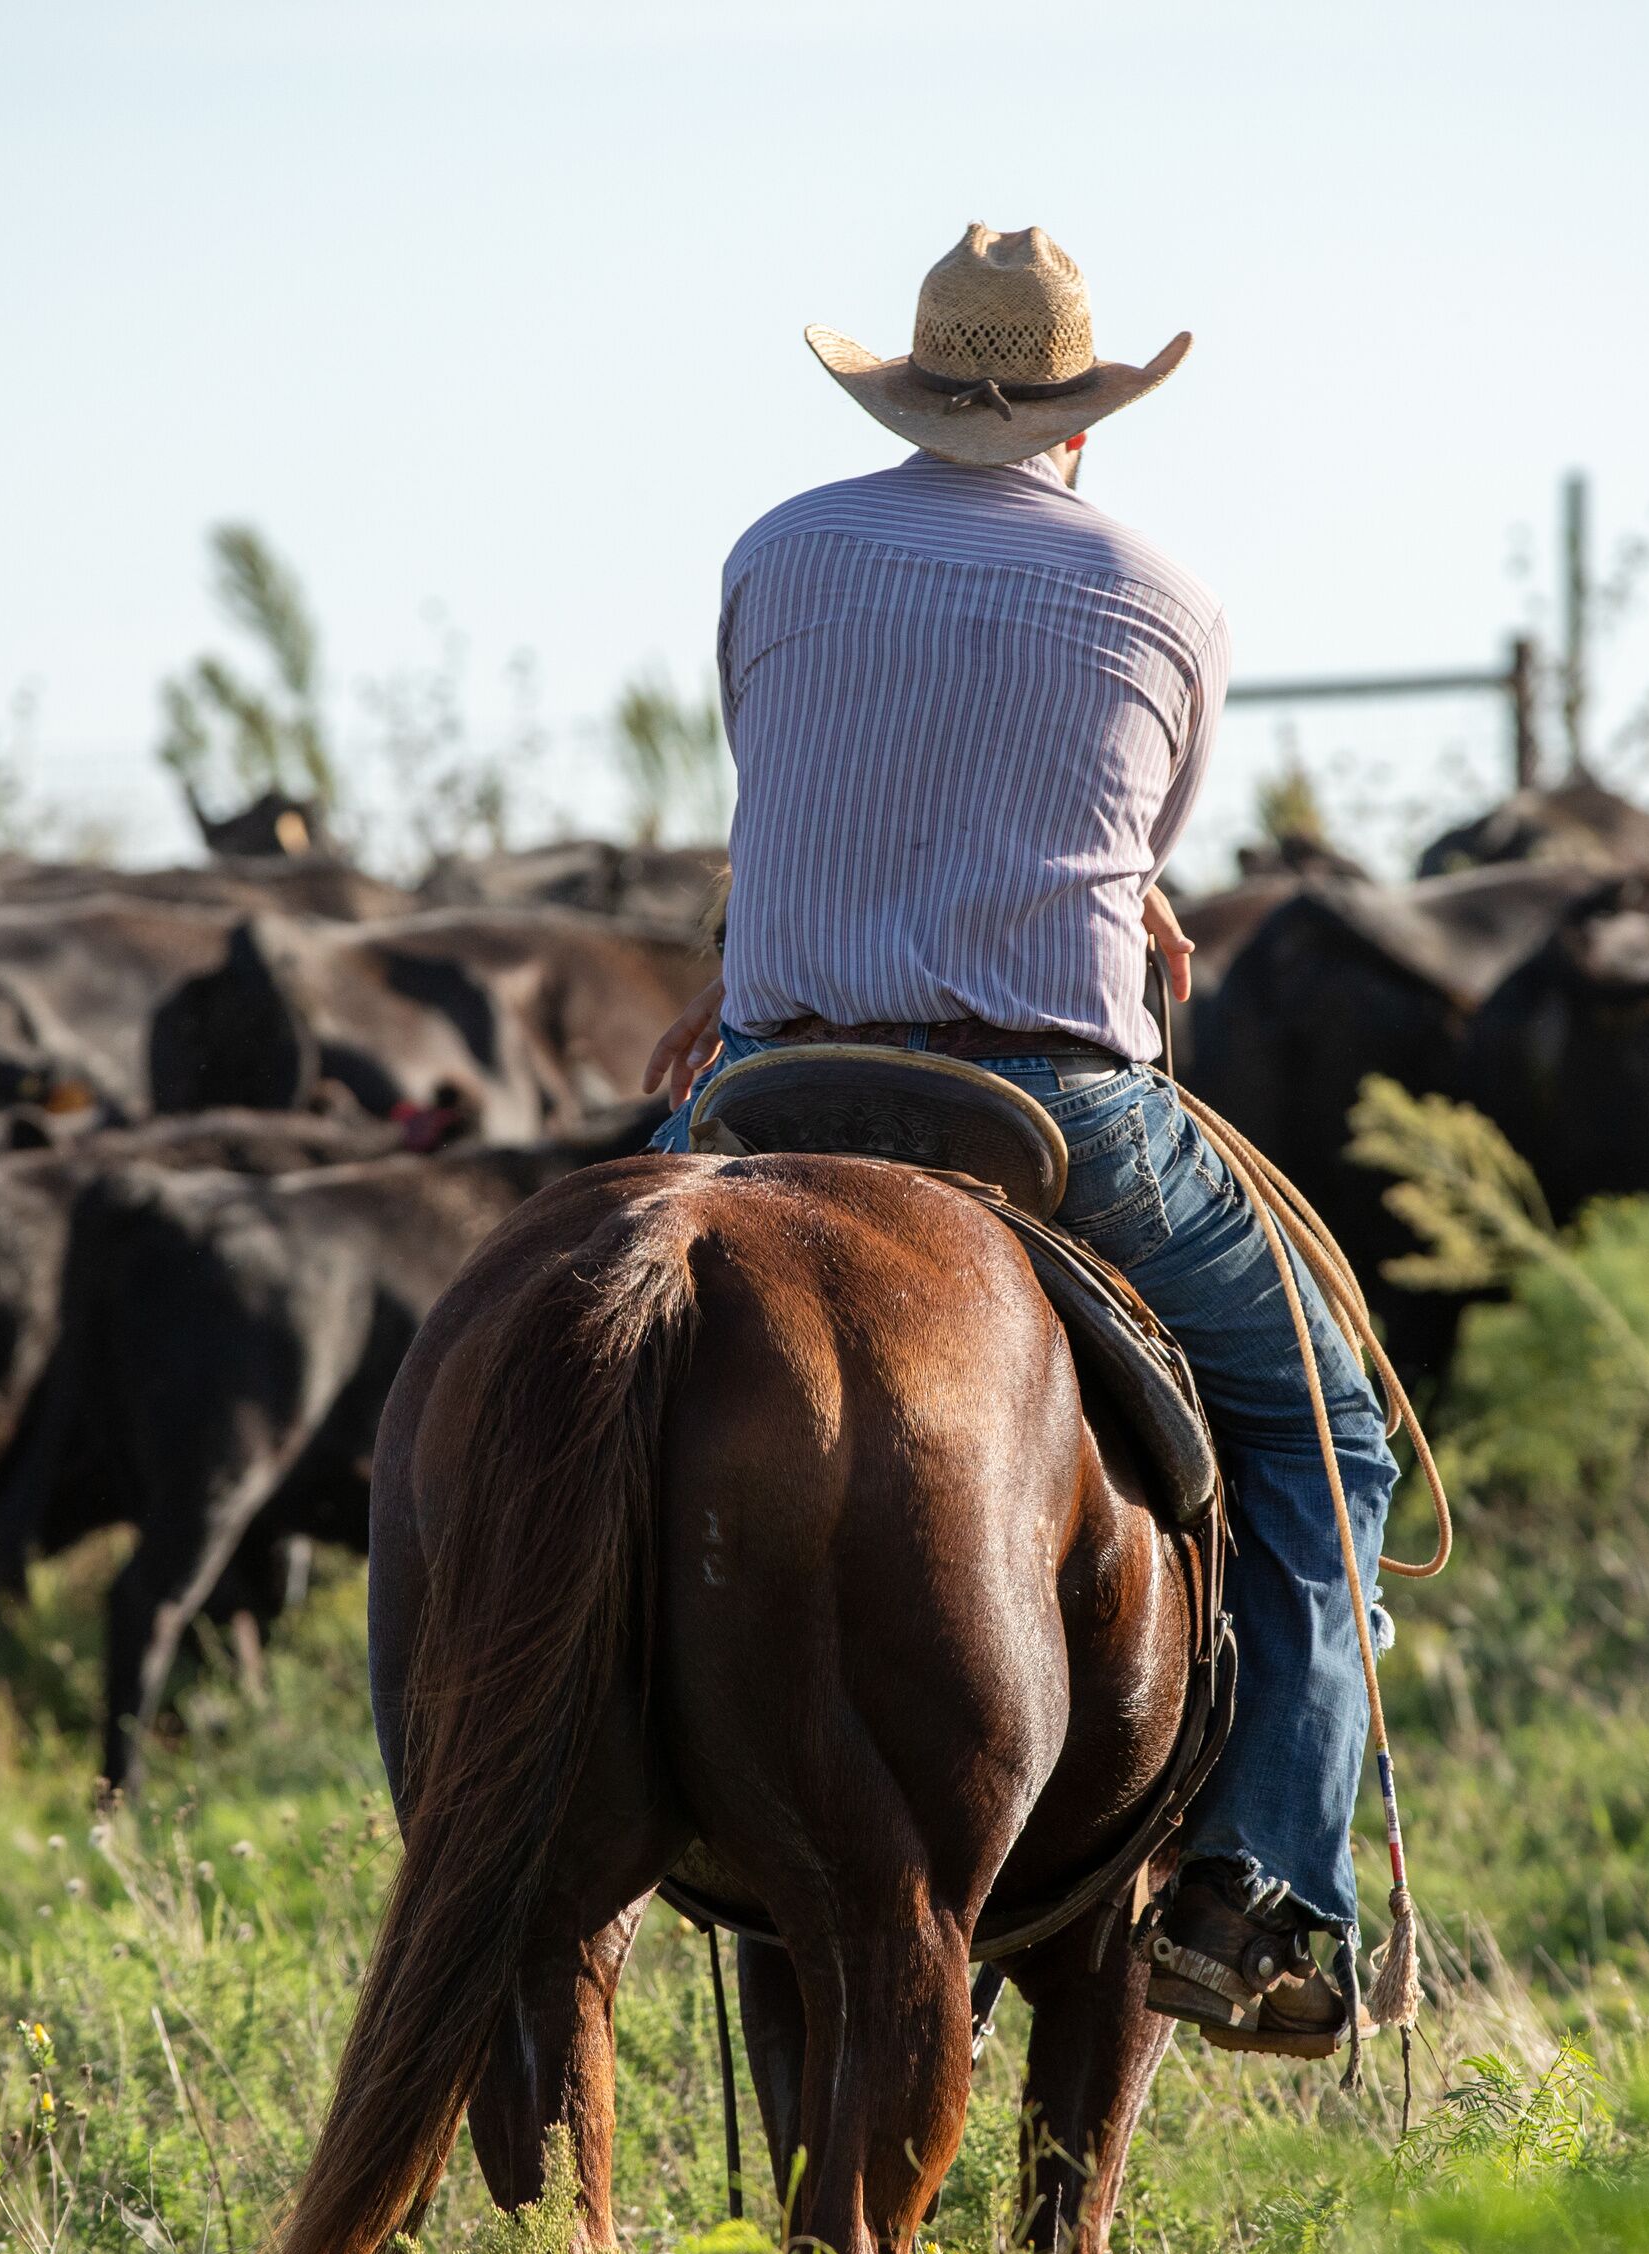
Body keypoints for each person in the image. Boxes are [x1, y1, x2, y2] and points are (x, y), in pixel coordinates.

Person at [644, 223, 1396, 2059]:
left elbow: (788, 784)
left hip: (772, 1084)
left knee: (562, 1354)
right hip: (1046, 1106)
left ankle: (526, 1807)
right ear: (1082, 419)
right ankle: (1260, 1891)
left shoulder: (777, 551)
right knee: (1327, 1431)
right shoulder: (1163, 595)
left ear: (904, 394)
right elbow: (1131, 833)